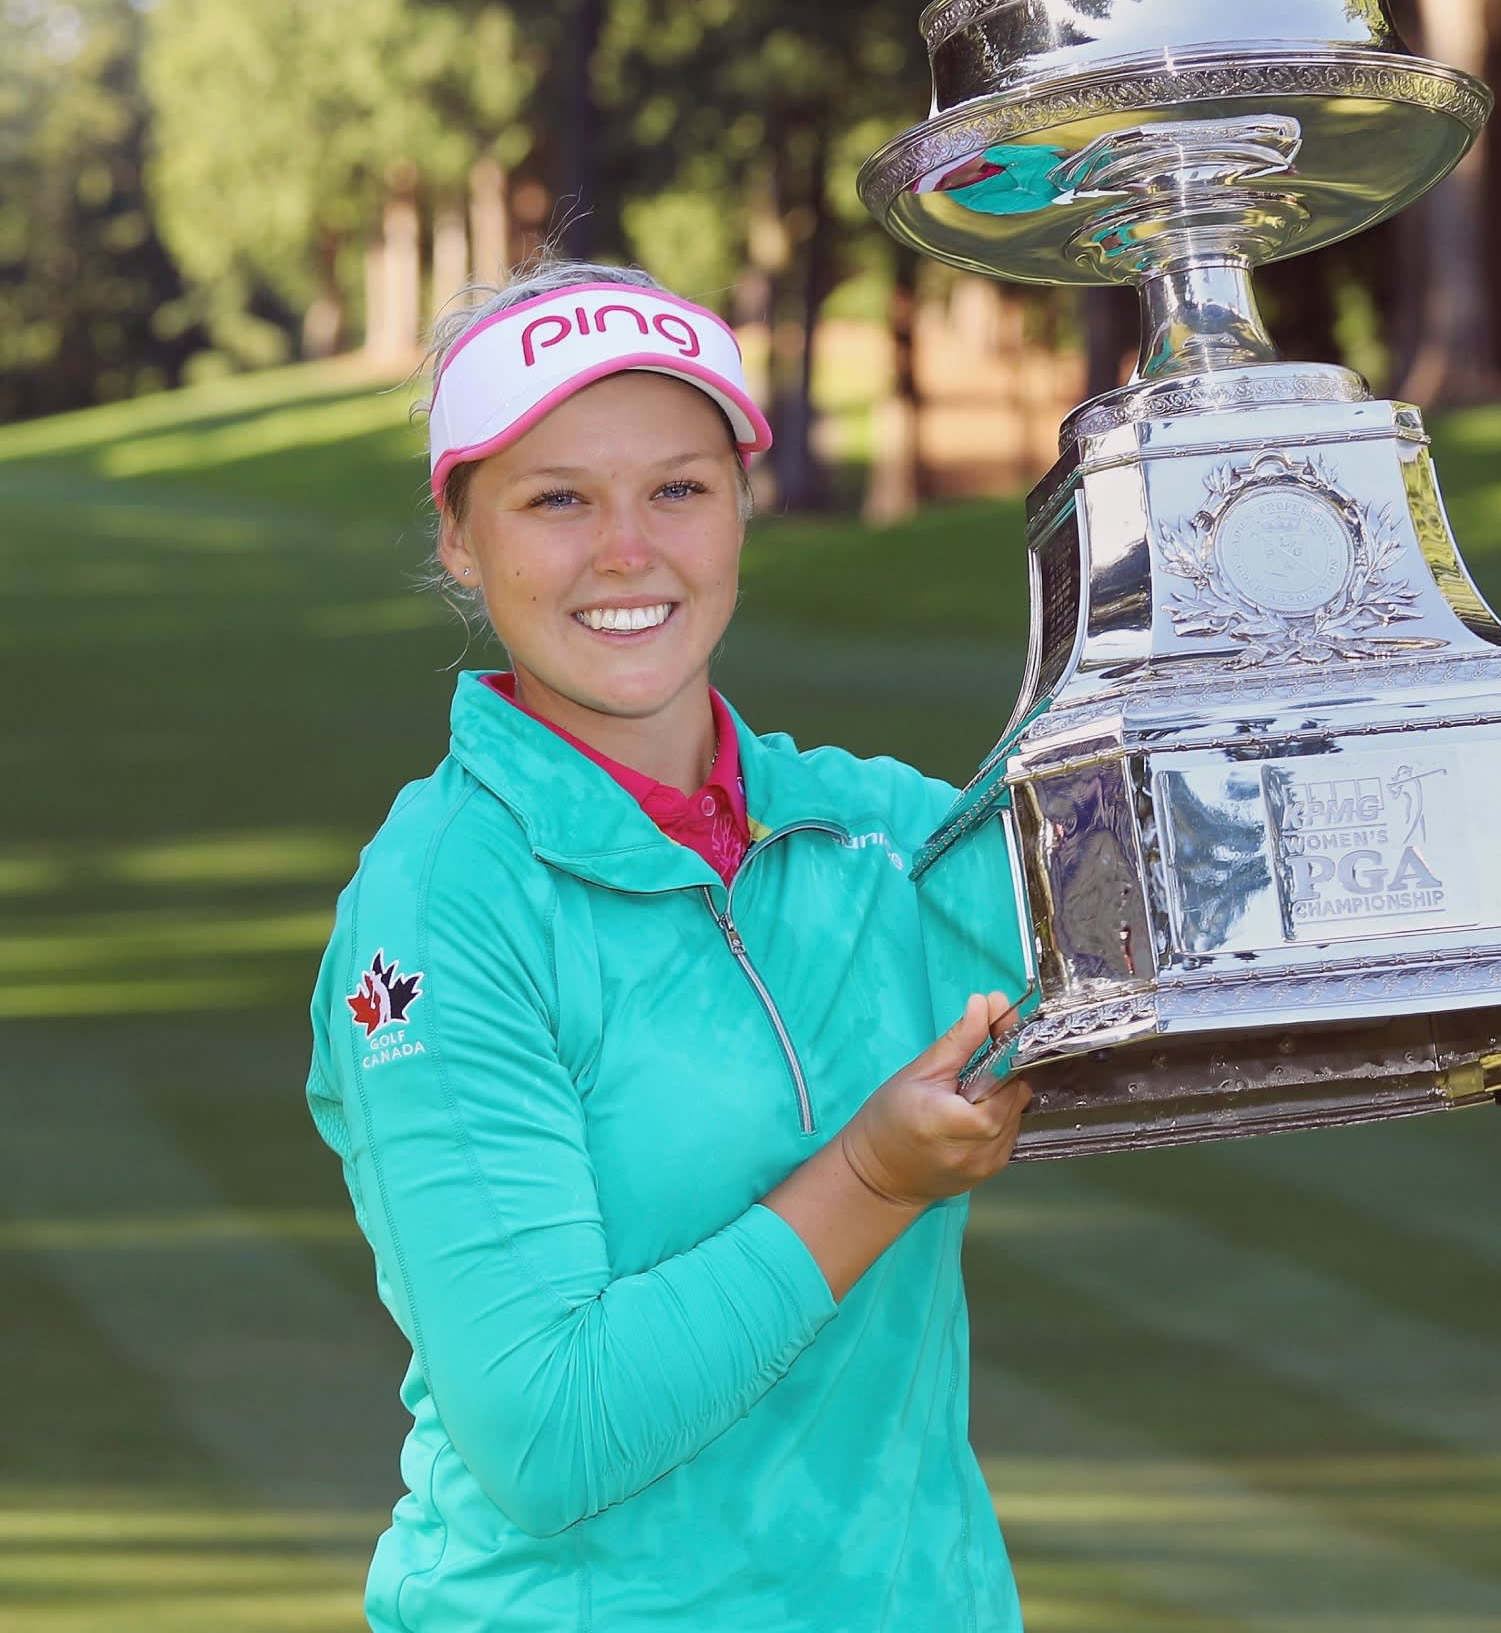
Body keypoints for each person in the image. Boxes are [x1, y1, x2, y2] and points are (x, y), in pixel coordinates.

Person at [305, 257, 1032, 1632]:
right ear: (461, 535)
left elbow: (1197, 962)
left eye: (678, 488)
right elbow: (547, 1433)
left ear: (742, 508)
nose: (626, 549)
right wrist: (872, 1179)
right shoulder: (441, 908)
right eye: (558, 498)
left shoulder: (869, 832)